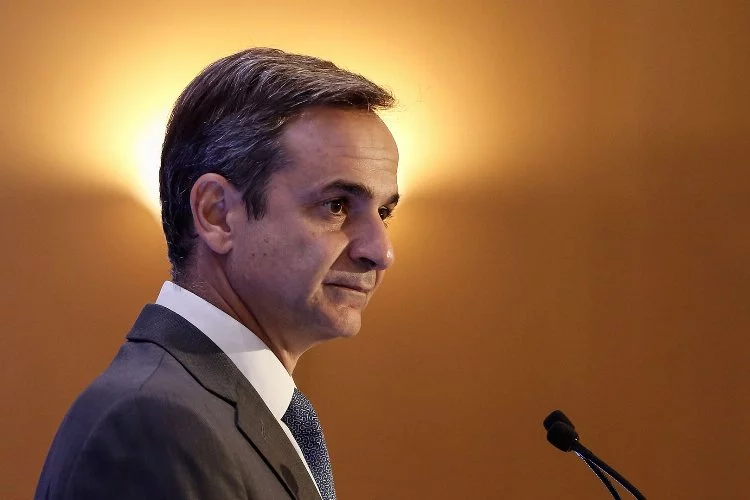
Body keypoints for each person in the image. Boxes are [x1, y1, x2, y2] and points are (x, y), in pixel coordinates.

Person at [34, 47, 400, 500]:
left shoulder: (212, 408)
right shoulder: (155, 424)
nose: (380, 251)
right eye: (337, 206)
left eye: (384, 212)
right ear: (217, 214)